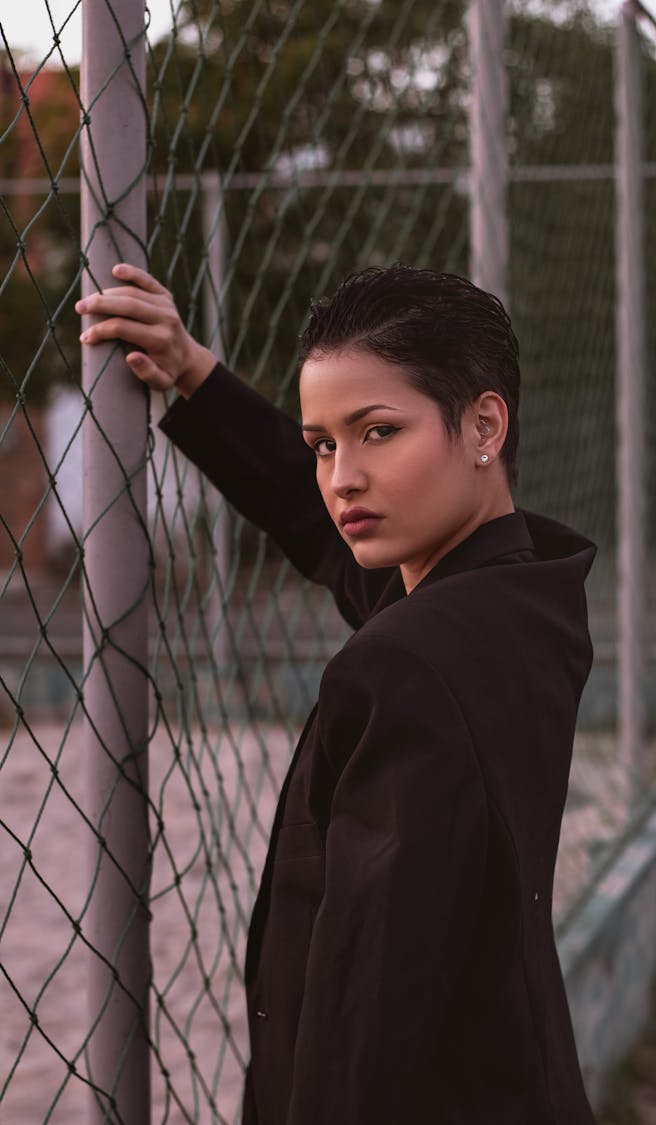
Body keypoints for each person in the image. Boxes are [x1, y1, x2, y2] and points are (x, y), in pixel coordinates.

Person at [76, 262, 598, 1125]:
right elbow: (321, 526)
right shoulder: (520, 597)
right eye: (325, 442)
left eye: (379, 432)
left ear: (483, 425)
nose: (341, 478)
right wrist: (195, 375)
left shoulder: (410, 666)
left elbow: (366, 1015)